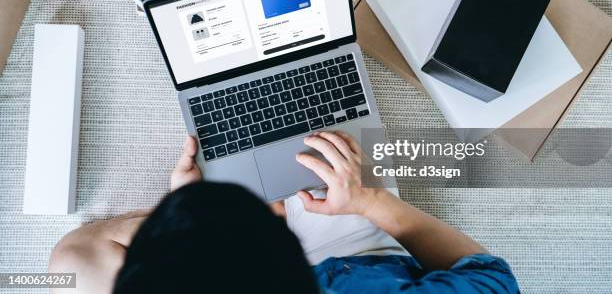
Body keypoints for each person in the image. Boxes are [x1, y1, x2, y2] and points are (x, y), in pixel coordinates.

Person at [49, 131, 519, 293]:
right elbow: (494, 278)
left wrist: (188, 219)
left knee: (71, 265)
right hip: (363, 254)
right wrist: (368, 201)